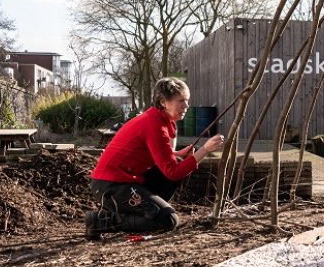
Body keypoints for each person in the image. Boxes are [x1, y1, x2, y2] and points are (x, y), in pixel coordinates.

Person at [85, 77, 224, 240]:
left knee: (177, 162)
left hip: (125, 182)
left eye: (187, 100)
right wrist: (205, 150)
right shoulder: (155, 125)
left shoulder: (161, 120)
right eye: (181, 101)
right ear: (163, 102)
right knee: (168, 220)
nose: (186, 106)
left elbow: (160, 157)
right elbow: (173, 172)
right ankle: (101, 221)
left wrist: (177, 154)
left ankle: (147, 214)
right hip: (110, 186)